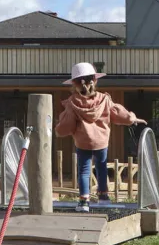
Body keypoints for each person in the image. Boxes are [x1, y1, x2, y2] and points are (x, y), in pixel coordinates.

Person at [55, 62, 141, 212]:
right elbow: (120, 115)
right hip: (101, 141)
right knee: (101, 167)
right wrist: (133, 119)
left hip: (82, 142)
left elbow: (67, 125)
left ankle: (83, 201)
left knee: (84, 170)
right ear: (95, 81)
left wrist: (58, 130)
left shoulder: (72, 102)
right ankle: (103, 197)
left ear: (74, 84)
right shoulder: (104, 99)